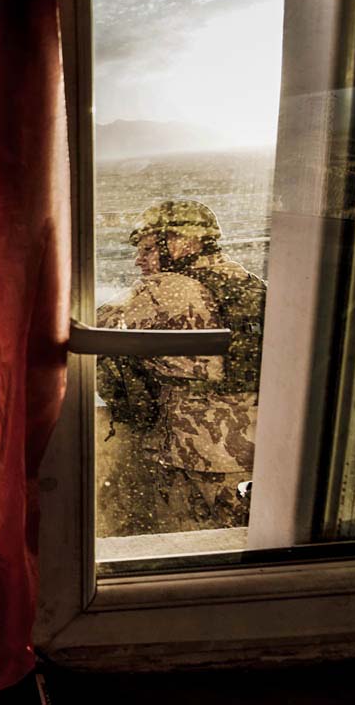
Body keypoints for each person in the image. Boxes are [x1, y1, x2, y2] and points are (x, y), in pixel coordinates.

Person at [96, 200, 266, 535]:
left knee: (189, 543)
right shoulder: (247, 281)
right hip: (256, 446)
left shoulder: (165, 286)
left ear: (182, 242)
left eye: (147, 249)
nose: (139, 259)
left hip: (194, 451)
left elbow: (94, 324)